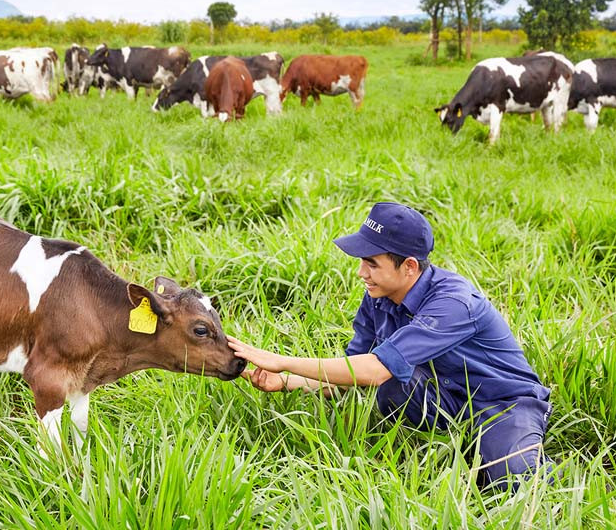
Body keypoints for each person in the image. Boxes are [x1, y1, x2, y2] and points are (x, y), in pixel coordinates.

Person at [228, 202, 552, 489]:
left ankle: (530, 464)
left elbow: (371, 371)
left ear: (409, 266)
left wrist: (281, 360)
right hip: (443, 398)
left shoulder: (453, 302)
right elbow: (352, 372)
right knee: (393, 384)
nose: (361, 273)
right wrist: (283, 382)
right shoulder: (377, 297)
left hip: (501, 403)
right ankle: (441, 451)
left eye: (371, 263)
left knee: (514, 482)